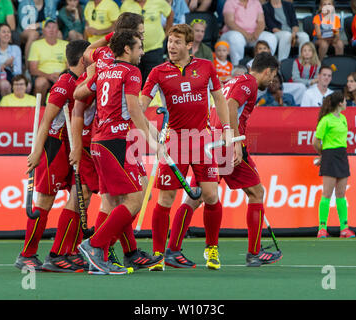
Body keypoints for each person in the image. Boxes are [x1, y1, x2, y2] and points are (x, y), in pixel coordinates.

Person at [162, 52, 282, 268]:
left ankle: (173, 250)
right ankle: (254, 253)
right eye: (273, 75)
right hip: (226, 144)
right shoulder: (250, 83)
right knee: (256, 193)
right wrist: (235, 142)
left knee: (194, 198)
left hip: (210, 142)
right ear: (268, 71)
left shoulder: (234, 80)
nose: (273, 80)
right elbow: (231, 106)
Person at [140, 24, 234, 271]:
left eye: (177, 42)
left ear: (189, 45)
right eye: (170, 41)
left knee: (211, 196)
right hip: (174, 143)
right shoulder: (158, 72)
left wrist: (226, 128)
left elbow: (220, 99)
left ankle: (212, 249)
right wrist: (149, 134)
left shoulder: (206, 67)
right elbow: (140, 105)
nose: (172, 46)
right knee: (166, 199)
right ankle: (158, 254)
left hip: (202, 140)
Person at [73, 30, 164, 275]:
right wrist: (153, 144)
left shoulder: (103, 68)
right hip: (116, 141)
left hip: (98, 141)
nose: (142, 53)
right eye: (139, 47)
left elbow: (80, 92)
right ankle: (94, 245)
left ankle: (100, 260)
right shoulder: (132, 72)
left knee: (113, 202)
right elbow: (134, 109)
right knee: (133, 201)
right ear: (127, 49)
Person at [14, 39, 93, 273]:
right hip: (55, 146)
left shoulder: (84, 81)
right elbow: (46, 120)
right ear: (83, 59)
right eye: (91, 55)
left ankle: (66, 251)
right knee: (45, 201)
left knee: (81, 196)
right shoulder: (65, 82)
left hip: (74, 145)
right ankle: (27, 254)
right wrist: (37, 151)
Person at [312, 91, 355, 238]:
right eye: (345, 101)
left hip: (342, 155)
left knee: (341, 194)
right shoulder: (326, 120)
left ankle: (344, 228)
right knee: (327, 193)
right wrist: (323, 154)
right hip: (330, 156)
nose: (346, 103)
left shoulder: (343, 119)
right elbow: (316, 142)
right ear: (340, 103)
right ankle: (322, 228)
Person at [120, 0, 174, 84]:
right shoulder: (126, 4)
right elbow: (121, 24)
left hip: (155, 47)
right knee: (134, 80)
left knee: (153, 80)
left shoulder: (159, 2)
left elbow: (170, 13)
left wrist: (167, 32)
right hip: (133, 49)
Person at [220, 0, 277, 65]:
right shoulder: (230, 2)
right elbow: (229, 22)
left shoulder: (256, 2)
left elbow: (261, 21)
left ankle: (264, 65)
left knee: (271, 37)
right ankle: (237, 67)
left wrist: (256, 34)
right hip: (233, 33)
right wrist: (246, 34)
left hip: (253, 35)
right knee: (236, 38)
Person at [27, 19, 68, 103]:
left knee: (69, 83)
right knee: (40, 83)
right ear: (43, 31)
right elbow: (33, 69)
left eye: (54, 27)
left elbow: (70, 66)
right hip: (44, 76)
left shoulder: (66, 45)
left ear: (58, 31)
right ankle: (40, 109)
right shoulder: (36, 45)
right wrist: (49, 76)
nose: (51, 30)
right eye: (48, 27)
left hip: (62, 76)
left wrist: (61, 76)